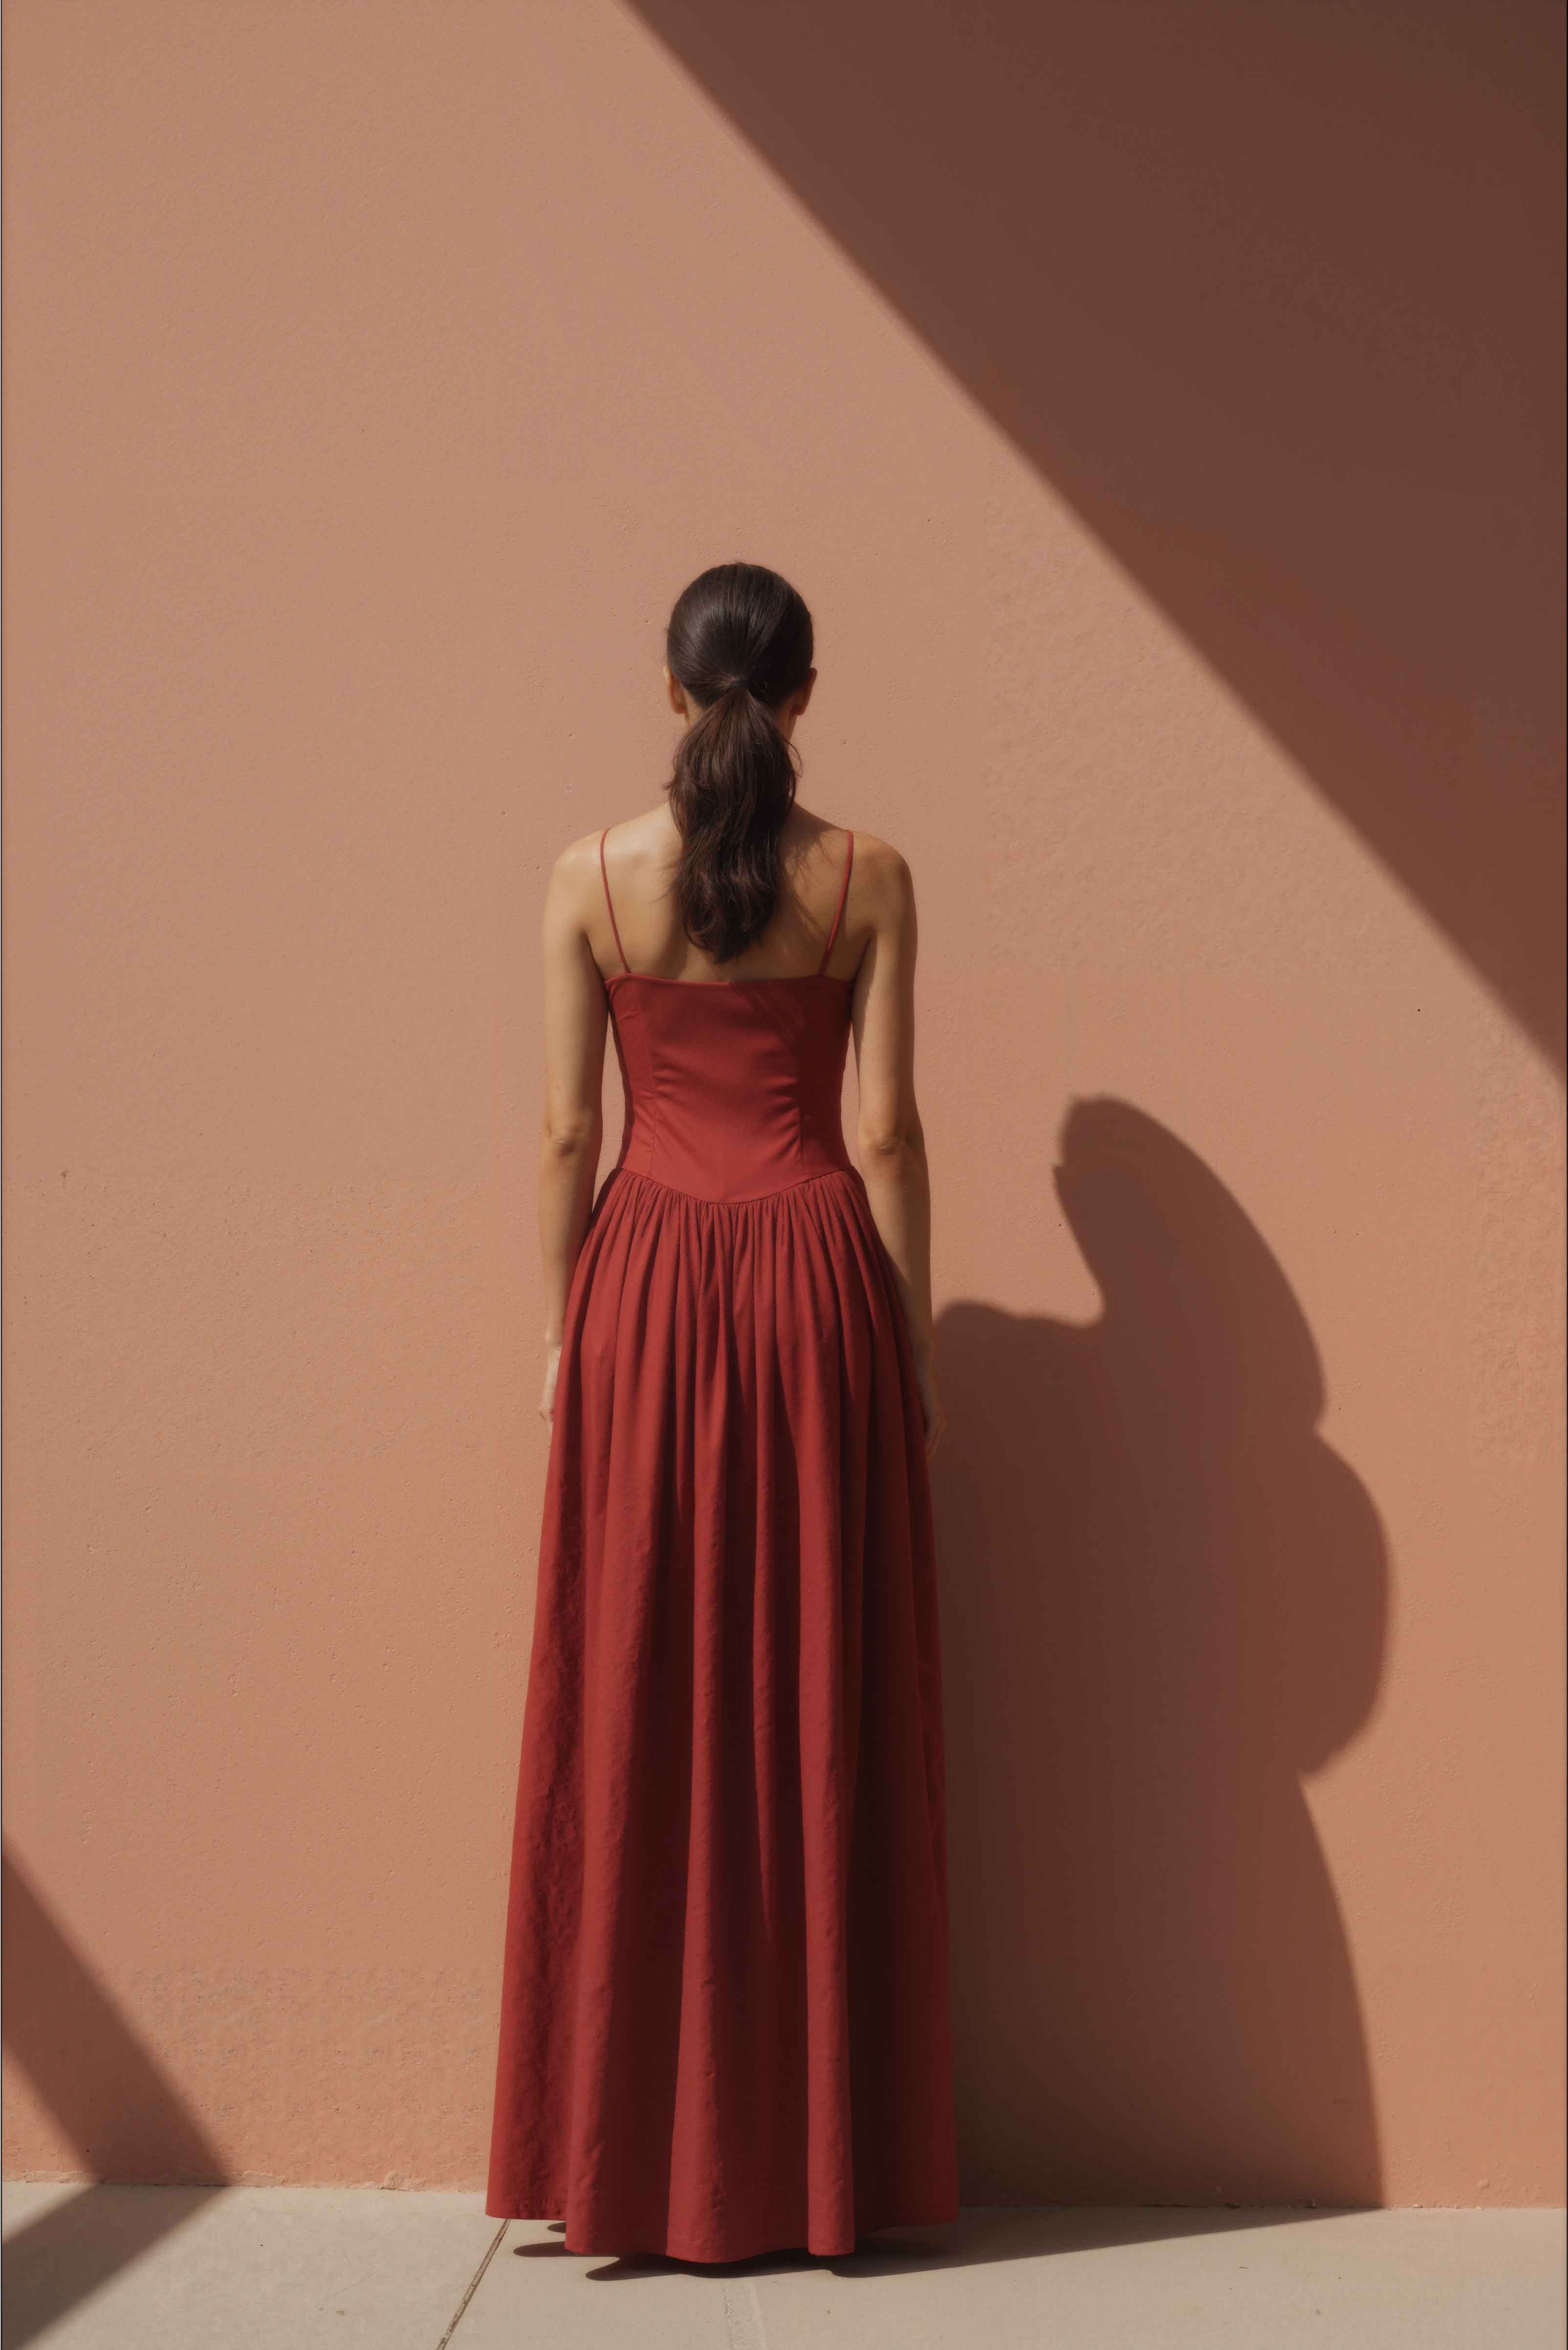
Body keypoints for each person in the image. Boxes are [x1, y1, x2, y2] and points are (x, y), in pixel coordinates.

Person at [484, 561, 959, 2262]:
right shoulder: (871, 881)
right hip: (816, 1284)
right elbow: (889, 1139)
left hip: (650, 1294)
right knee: (815, 1698)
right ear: (806, 696)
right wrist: (908, 1351)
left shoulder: (589, 881)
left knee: (635, 1692)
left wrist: (567, 1337)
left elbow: (562, 1138)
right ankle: (819, 2167)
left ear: (672, 695)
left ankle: (627, 2164)